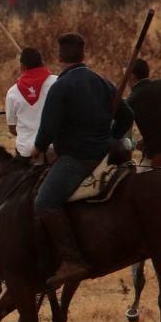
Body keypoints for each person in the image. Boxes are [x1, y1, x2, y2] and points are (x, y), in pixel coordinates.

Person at [30, 33, 134, 288]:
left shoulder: (60, 87)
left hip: (78, 159)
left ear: (59, 57)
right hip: (106, 154)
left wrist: (37, 149)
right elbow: (127, 115)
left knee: (44, 202)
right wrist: (110, 138)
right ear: (83, 54)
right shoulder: (103, 82)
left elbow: (47, 130)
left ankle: (72, 259)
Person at [5, 47, 56, 161]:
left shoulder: (12, 92)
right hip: (55, 150)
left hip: (26, 152)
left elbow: (12, 128)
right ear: (42, 63)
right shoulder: (58, 83)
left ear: (22, 67)